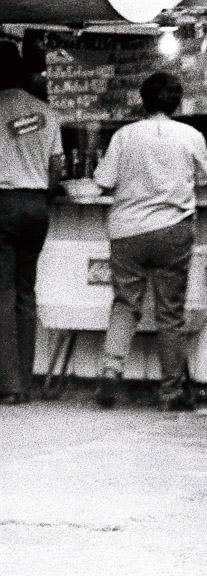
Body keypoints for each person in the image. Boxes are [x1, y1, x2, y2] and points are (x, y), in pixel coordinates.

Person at [93, 72, 207, 410]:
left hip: (127, 231)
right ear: (177, 103)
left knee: (125, 303)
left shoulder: (124, 135)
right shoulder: (190, 135)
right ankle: (171, 392)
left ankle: (110, 370)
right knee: (170, 314)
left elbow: (103, 180)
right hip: (172, 230)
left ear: (143, 100)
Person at [0, 41, 63, 405]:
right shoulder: (45, 112)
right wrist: (42, 196)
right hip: (36, 207)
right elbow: (57, 169)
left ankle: (8, 384)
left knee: (3, 293)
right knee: (26, 292)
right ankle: (24, 379)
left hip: (3, 205)